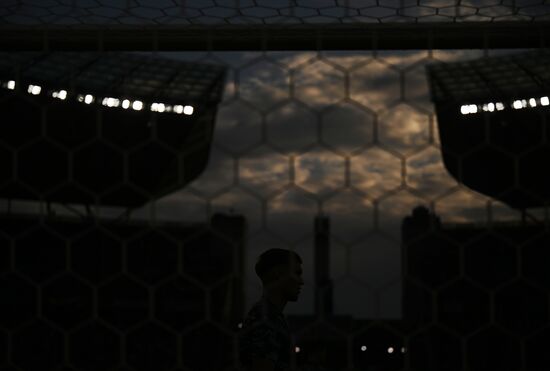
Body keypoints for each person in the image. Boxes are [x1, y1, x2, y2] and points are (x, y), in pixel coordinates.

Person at [238, 248, 305, 371]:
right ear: (278, 274)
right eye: (297, 273)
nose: (302, 282)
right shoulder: (265, 318)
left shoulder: (272, 316)